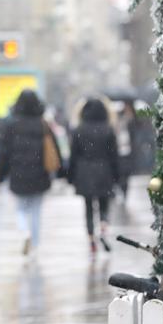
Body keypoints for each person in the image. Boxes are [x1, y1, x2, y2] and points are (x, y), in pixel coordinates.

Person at [0, 89, 61, 257]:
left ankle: (25, 232)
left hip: (19, 173)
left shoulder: (12, 126)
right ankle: (35, 246)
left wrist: (0, 174)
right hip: (39, 174)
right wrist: (62, 172)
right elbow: (55, 150)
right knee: (36, 210)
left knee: (21, 208)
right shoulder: (43, 124)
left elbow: (4, 152)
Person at [66, 97, 120, 255]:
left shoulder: (79, 130)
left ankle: (91, 237)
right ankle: (103, 225)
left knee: (88, 207)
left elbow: (73, 156)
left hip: (84, 172)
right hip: (104, 170)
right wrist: (117, 175)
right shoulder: (108, 129)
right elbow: (114, 155)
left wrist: (70, 176)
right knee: (104, 203)